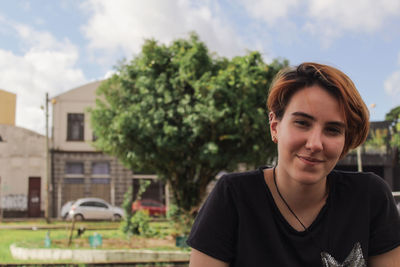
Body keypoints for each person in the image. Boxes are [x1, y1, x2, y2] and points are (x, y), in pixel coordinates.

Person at [187, 62, 400, 267]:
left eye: (333, 130)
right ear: (274, 126)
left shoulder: (369, 197)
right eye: (302, 123)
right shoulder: (233, 197)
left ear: (345, 140)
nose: (315, 144)